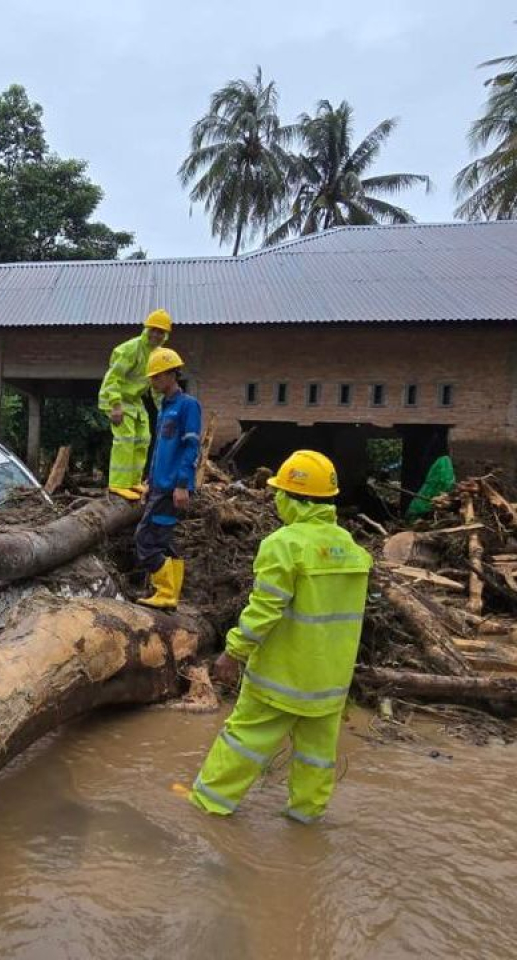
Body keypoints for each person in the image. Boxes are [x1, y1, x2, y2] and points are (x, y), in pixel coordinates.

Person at [189, 450, 372, 824]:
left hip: (280, 678)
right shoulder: (352, 550)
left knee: (242, 743)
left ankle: (207, 809)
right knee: (316, 759)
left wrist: (233, 653)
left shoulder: (285, 544)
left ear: (291, 497)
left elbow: (264, 611)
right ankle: (304, 823)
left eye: (279, 492)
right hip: (330, 684)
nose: (275, 499)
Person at [135, 347, 201, 609]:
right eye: (152, 377)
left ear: (173, 373)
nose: (154, 381)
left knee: (145, 539)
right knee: (162, 540)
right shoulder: (165, 407)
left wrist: (183, 484)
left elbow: (191, 447)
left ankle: (165, 592)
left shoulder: (188, 406)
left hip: (173, 487)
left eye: (158, 376)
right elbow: (160, 450)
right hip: (159, 486)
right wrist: (149, 481)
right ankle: (170, 595)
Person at [98, 308, 172, 500]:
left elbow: (155, 388)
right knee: (126, 438)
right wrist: (115, 406)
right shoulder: (132, 349)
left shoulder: (157, 355)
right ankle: (118, 484)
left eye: (160, 331)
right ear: (146, 329)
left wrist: (165, 410)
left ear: (165, 335)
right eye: (153, 329)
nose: (156, 334)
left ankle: (133, 482)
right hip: (115, 397)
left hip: (133, 400)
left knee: (143, 438)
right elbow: (112, 378)